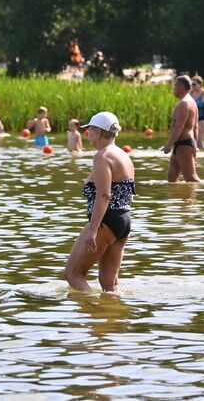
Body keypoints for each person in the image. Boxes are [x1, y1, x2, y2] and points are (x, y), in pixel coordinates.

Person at [65, 111, 136, 293]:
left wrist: (93, 230)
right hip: (123, 221)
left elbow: (104, 195)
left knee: (73, 274)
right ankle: (111, 318)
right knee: (109, 284)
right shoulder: (123, 155)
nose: (87, 134)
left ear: (98, 132)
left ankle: (92, 312)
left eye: (89, 130)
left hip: (106, 222)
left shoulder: (102, 157)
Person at [163, 75, 200, 182]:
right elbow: (195, 127)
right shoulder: (191, 102)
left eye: (175, 86)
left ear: (181, 87)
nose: (173, 89)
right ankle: (179, 197)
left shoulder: (184, 103)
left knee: (191, 178)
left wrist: (168, 145)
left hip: (184, 144)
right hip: (180, 145)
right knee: (171, 176)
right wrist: (195, 146)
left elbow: (179, 126)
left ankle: (197, 198)